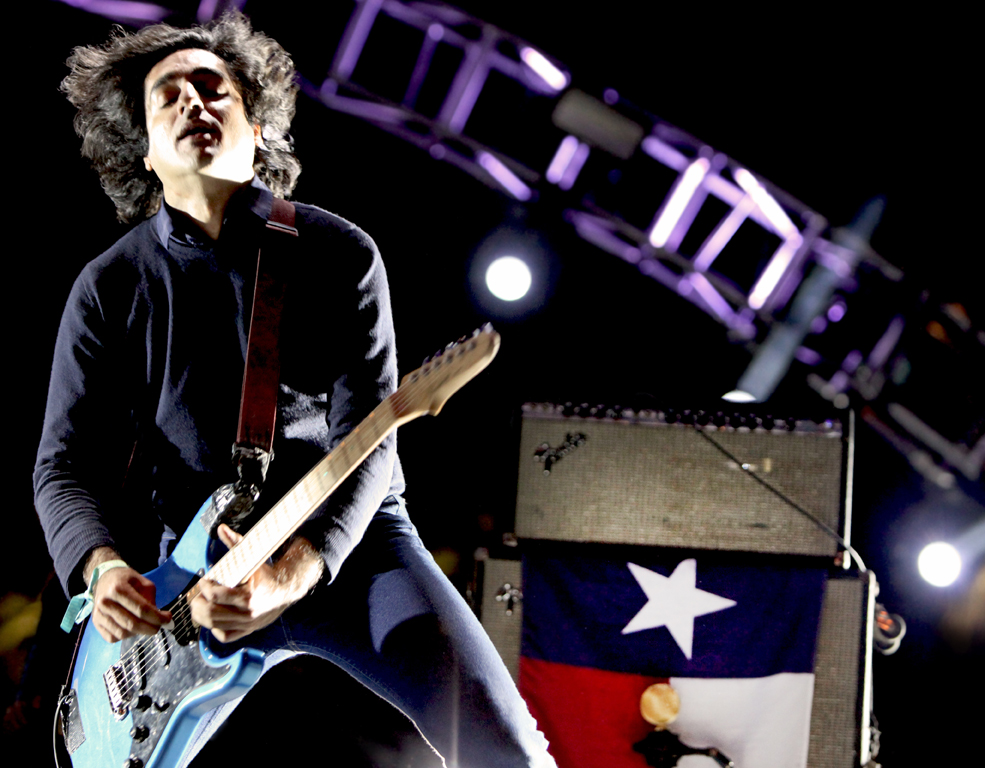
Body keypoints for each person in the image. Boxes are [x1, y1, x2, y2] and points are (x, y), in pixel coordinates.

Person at [34, 12, 554, 767]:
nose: (193, 102)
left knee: (504, 750)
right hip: (194, 581)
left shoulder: (339, 252)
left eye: (213, 88)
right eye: (168, 95)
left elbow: (371, 441)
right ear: (143, 150)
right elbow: (62, 467)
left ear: (256, 126)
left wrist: (297, 570)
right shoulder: (108, 286)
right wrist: (102, 567)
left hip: (349, 540)